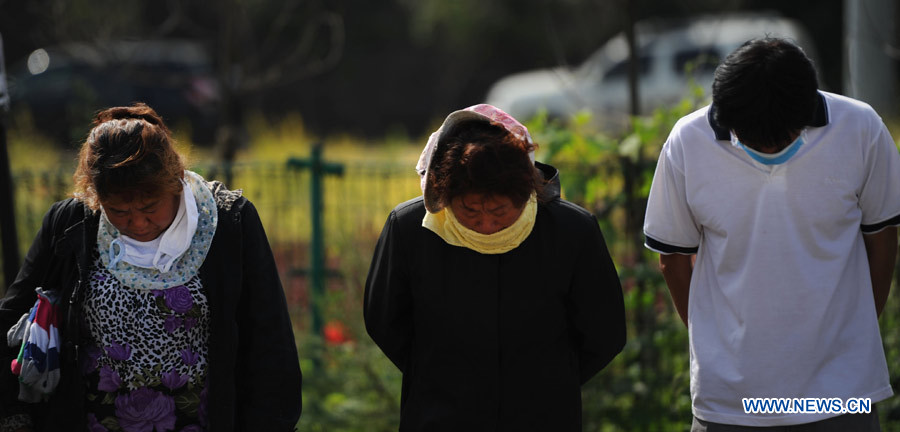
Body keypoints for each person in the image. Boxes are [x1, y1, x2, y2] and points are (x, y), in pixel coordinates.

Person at [644, 37, 899, 431]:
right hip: (729, 404)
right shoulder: (688, 142)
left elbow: (882, 239)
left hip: (843, 396)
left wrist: (856, 327)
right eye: (748, 136)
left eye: (775, 138)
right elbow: (672, 260)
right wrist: (715, 345)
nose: (762, 146)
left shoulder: (860, 129)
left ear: (806, 108)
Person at [0, 103, 302, 431]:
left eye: (149, 207)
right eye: (119, 210)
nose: (138, 223)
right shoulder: (72, 224)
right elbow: (11, 319)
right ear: (96, 197)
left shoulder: (229, 224)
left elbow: (270, 343)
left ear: (174, 183)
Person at [364, 104, 626, 431]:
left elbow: (605, 333)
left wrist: (547, 383)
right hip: (439, 417)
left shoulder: (572, 231)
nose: (486, 225)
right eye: (471, 211)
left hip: (543, 417)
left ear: (526, 192)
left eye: (500, 211)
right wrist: (439, 377)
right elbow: (384, 321)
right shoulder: (409, 230)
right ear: (444, 195)